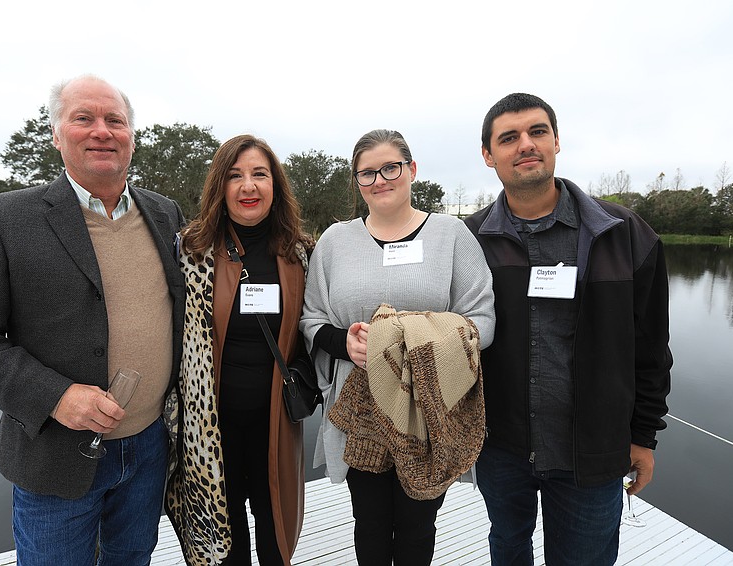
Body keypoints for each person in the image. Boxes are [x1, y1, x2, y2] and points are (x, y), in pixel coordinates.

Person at [0, 75, 185, 565]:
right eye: (83, 118)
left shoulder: (164, 213)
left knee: (132, 559)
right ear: (56, 134)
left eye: (115, 120)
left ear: (132, 137)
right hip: (55, 456)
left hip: (151, 447)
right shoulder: (5, 217)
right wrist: (55, 396)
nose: (102, 131)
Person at [465, 93, 673, 565]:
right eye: (508, 138)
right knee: (508, 547)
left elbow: (651, 350)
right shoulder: (469, 241)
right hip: (500, 448)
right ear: (488, 155)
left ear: (556, 141)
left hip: (593, 453)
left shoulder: (625, 235)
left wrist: (644, 436)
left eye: (537, 131)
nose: (526, 144)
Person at [300, 129, 496, 565]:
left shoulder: (451, 235)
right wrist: (343, 343)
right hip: (360, 409)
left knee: (417, 524)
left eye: (390, 168)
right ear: (356, 181)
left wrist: (410, 339)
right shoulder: (334, 242)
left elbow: (482, 321)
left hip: (429, 411)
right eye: (367, 173)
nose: (379, 180)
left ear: (412, 169)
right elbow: (311, 319)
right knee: (369, 522)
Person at [163, 134, 313, 566]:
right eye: (235, 176)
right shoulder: (190, 251)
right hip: (211, 426)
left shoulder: (299, 253)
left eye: (259, 174)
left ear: (275, 185)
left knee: (275, 538)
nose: (248, 186)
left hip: (275, 423)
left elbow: (310, 330)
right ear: (220, 186)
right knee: (225, 547)